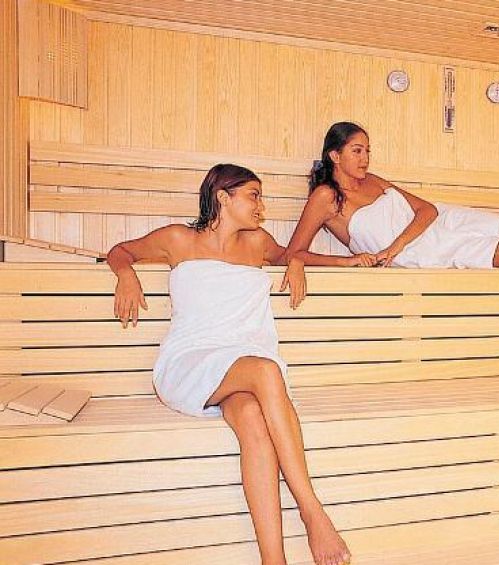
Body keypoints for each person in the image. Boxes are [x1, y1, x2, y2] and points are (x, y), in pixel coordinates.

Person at [107, 164, 351, 565]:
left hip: (241, 366)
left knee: (254, 419)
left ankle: (273, 561)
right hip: (192, 362)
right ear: (223, 196)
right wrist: (126, 275)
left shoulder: (258, 243)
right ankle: (312, 512)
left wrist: (296, 262)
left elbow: (293, 254)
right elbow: (122, 251)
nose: (261, 206)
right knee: (266, 370)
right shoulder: (178, 239)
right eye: (253, 195)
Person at [285, 121, 499, 269]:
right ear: (335, 155)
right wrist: (347, 261)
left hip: (439, 222)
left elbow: (428, 209)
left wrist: (395, 245)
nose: (365, 158)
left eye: (367, 151)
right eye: (357, 151)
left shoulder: (372, 180)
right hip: (428, 251)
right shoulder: (325, 197)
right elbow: (293, 254)